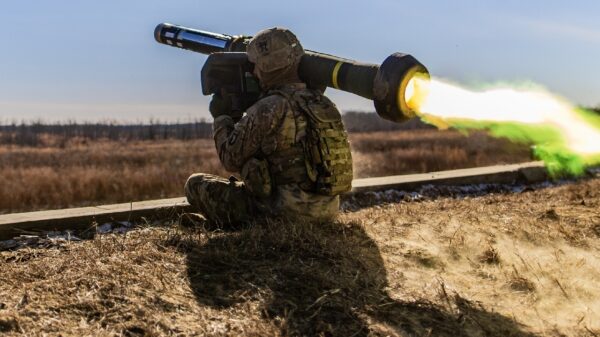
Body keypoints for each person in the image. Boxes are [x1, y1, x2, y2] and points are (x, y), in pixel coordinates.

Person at [183, 27, 353, 228]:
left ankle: (232, 225)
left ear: (267, 65)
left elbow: (230, 158)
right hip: (327, 210)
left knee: (195, 184)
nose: (254, 72)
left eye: (255, 66)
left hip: (282, 214)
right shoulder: (322, 102)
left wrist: (221, 117)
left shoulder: (270, 107)